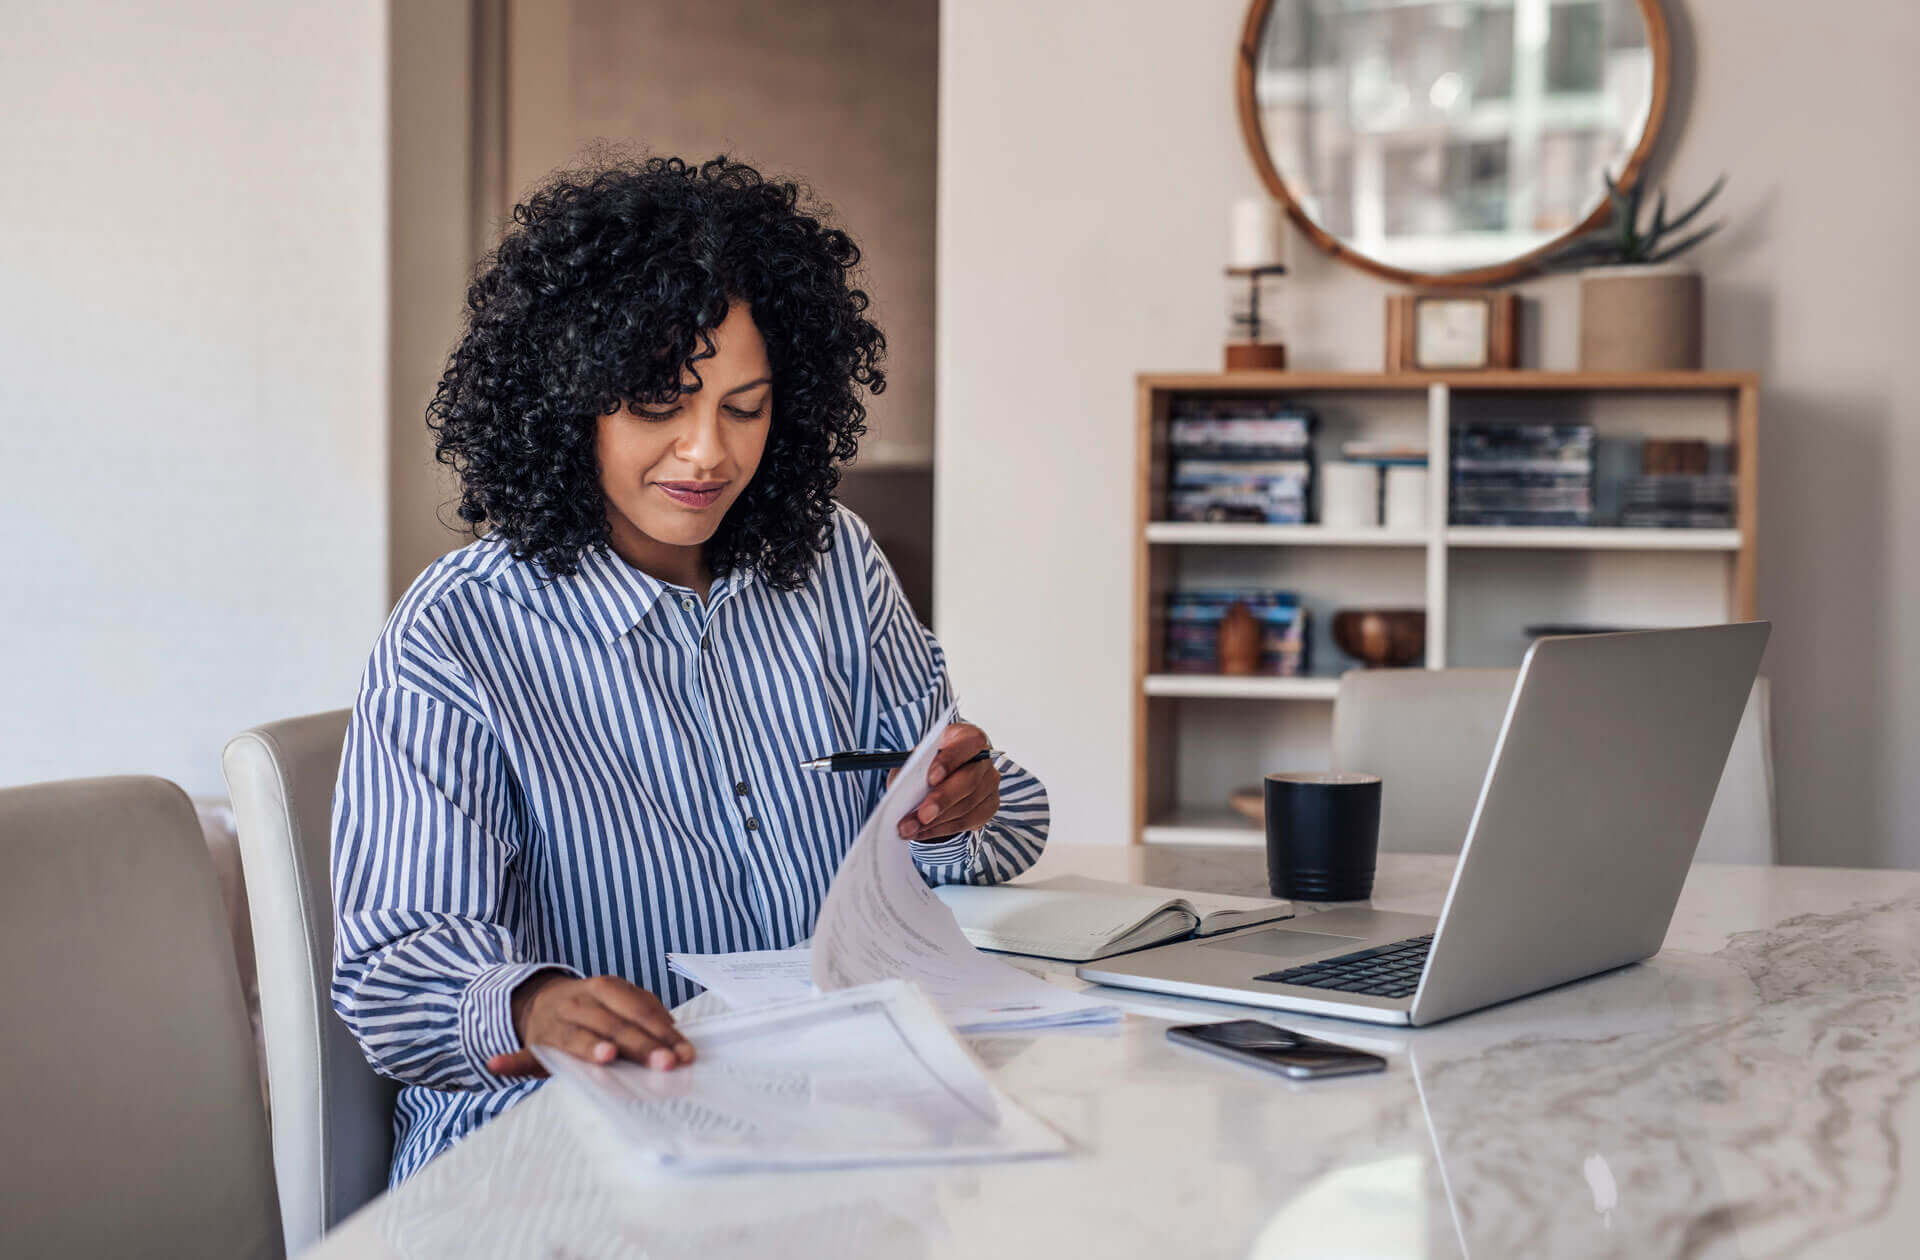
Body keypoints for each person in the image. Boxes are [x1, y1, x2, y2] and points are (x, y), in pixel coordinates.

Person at [330, 156, 1049, 1182]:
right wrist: (533, 1005)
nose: (706, 453)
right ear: (568, 400)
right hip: (555, 1155)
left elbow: (958, 847)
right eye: (659, 405)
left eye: (744, 409)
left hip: (829, 1122)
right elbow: (396, 968)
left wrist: (964, 806)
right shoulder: (461, 630)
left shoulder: (837, 565)